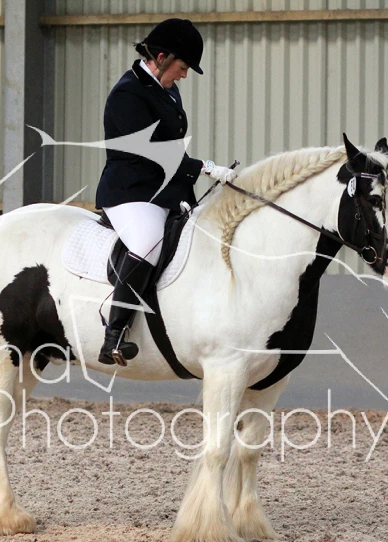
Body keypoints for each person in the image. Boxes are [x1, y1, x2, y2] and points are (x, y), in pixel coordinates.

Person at [95, 18, 237, 366]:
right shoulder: (127, 94)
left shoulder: (167, 89)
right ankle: (114, 335)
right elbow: (152, 151)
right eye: (183, 67)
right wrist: (204, 167)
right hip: (131, 192)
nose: (184, 75)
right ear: (161, 57)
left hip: (166, 191)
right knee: (149, 242)